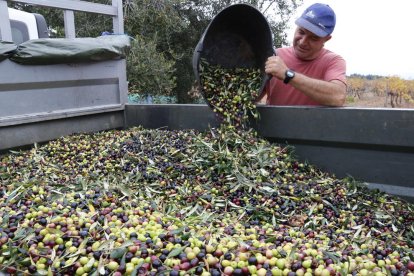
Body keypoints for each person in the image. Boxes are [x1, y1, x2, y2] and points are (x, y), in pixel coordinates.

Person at [260, 3, 347, 106]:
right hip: (274, 122)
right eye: (301, 32)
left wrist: (287, 75)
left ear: (327, 39)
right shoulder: (275, 56)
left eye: (313, 38)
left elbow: (338, 97)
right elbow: (253, 96)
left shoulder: (333, 61)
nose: (303, 42)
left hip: (310, 122)